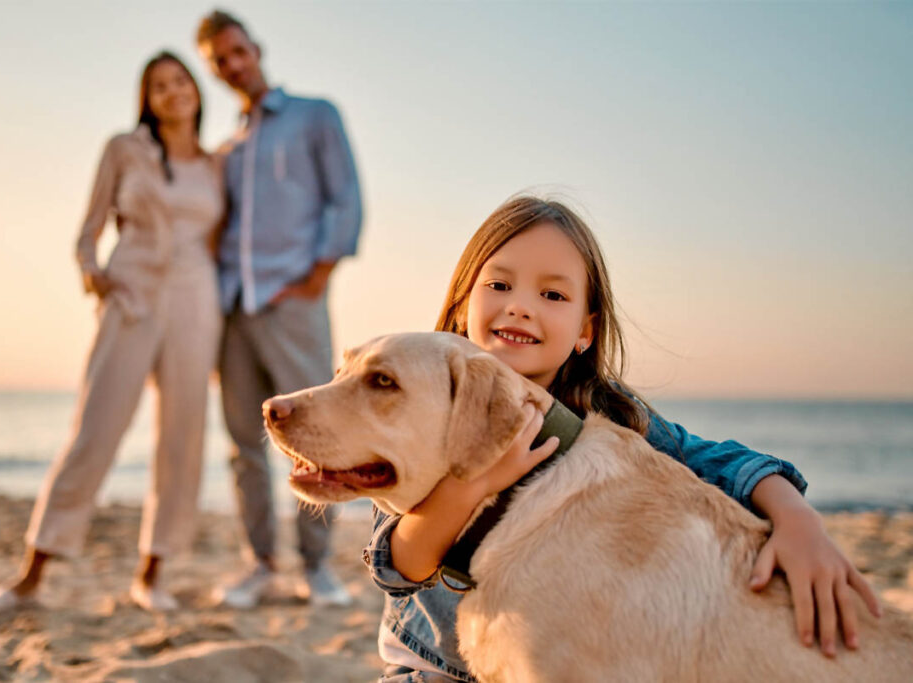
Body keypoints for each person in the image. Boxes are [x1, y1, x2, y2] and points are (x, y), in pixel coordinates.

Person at [365, 196, 882, 681]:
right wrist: (476, 484)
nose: (521, 307)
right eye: (499, 286)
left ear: (585, 331)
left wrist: (799, 522)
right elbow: (401, 566)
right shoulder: (422, 408)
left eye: (552, 294)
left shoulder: (609, 419)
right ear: (461, 306)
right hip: (434, 668)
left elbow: (723, 463)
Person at [0, 51, 223, 614]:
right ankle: (30, 576)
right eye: (158, 86)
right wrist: (96, 279)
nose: (172, 92)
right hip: (131, 294)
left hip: (195, 301)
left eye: (180, 81)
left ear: (197, 90)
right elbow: (87, 233)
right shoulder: (123, 149)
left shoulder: (215, 165)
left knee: (182, 438)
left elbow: (220, 242)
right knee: (95, 430)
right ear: (147, 97)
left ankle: (151, 575)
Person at [195, 10, 362, 608]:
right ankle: (262, 563)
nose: (233, 64)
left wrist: (317, 277)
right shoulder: (227, 150)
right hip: (233, 311)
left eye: (238, 51)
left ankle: (317, 567)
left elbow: (344, 198)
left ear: (256, 50)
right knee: (243, 442)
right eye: (220, 60)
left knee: (317, 434)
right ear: (214, 72)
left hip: (293, 300)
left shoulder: (316, 116)